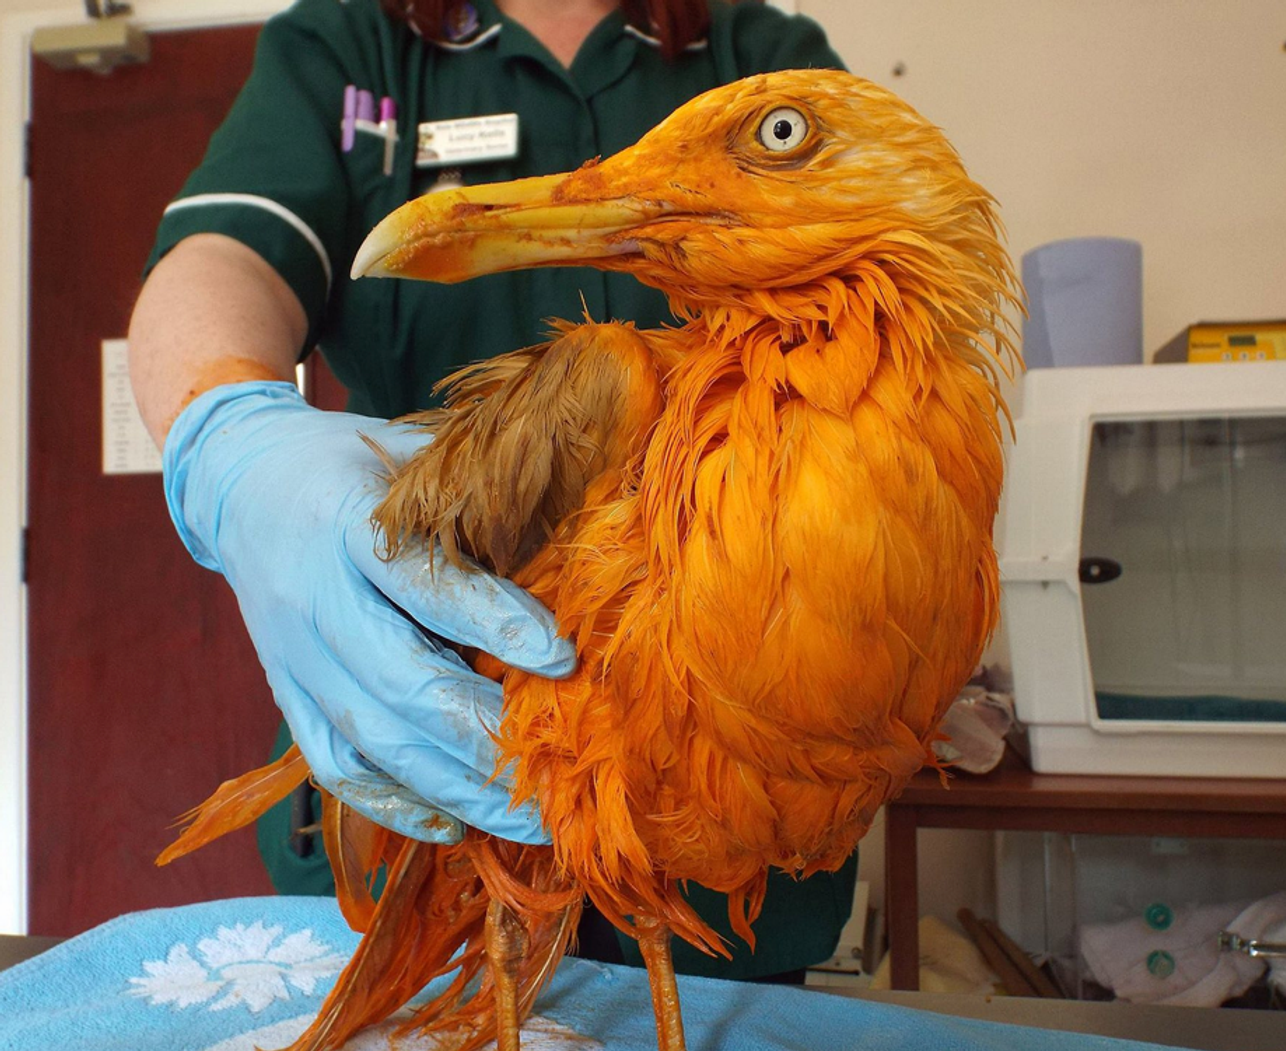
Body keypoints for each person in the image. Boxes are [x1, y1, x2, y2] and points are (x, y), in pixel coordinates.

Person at [128, 0, 854, 982]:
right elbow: (223, 254)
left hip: (721, 772)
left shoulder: (756, 53)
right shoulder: (350, 46)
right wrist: (229, 437)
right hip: (424, 723)